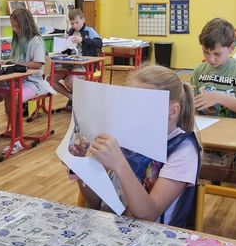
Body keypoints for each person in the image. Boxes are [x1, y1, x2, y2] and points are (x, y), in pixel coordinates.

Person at [72, 65, 200, 227]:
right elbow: (97, 202)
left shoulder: (183, 150)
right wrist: (80, 165)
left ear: (172, 111)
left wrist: (119, 163)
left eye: (141, 104)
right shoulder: (124, 136)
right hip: (112, 231)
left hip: (153, 237)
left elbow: (148, 213)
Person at [0, 8, 54, 152]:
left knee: (13, 100)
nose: (14, 29)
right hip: (14, 80)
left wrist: (17, 64)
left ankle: (18, 140)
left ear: (25, 24)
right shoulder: (17, 40)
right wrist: (8, 62)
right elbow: (16, 60)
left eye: (17, 26)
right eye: (13, 26)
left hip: (33, 82)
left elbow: (38, 64)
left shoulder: (36, 40)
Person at [192, 18, 236, 119]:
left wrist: (219, 98)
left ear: (231, 48)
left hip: (232, 127)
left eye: (217, 54)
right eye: (206, 52)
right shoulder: (198, 71)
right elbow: (191, 105)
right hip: (204, 126)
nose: (211, 59)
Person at [51, 8, 103, 110]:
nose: (75, 26)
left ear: (83, 20)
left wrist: (83, 39)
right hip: (70, 64)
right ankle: (72, 97)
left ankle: (82, 100)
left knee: (69, 80)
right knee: (51, 80)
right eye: (72, 23)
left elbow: (99, 43)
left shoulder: (89, 31)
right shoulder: (70, 32)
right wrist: (61, 48)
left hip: (85, 65)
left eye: (77, 22)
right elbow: (67, 49)